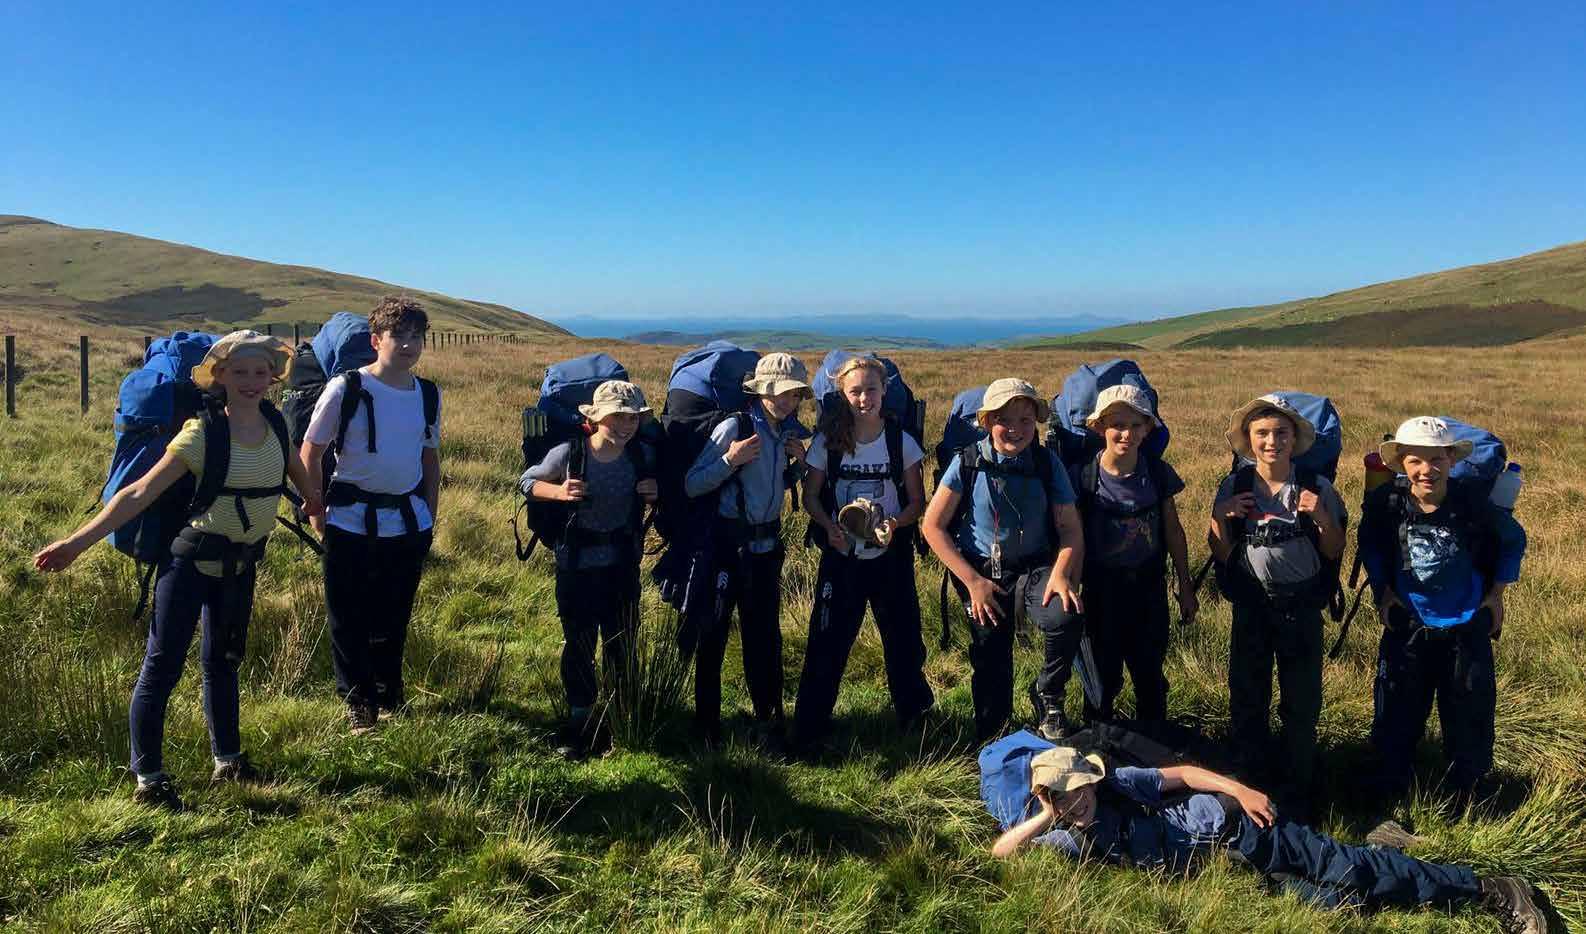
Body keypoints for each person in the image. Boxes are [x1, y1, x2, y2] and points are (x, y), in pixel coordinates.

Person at [35, 331, 320, 811]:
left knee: (223, 664)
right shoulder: (200, 433)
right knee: (162, 667)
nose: (252, 380)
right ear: (219, 376)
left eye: (260, 371)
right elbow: (138, 493)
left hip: (241, 566)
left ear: (274, 376)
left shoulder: (276, 425)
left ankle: (228, 761)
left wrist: (316, 504)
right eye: (240, 372)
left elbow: (299, 473)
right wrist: (75, 544)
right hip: (188, 565)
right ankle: (148, 778)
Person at [988, 742, 1557, 932]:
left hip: (1242, 827)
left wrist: (1243, 791)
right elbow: (1001, 852)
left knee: (1351, 872)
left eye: (1078, 790)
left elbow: (1184, 773)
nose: (1077, 802)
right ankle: (1384, 846)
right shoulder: (1072, 837)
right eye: (1063, 797)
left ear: (1091, 779)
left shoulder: (1120, 785)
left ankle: (1492, 889)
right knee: (1342, 904)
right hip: (1237, 870)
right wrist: (1047, 816)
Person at [1357, 417, 1526, 806]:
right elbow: (1370, 545)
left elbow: (1514, 540)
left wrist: (1496, 594)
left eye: (1436, 460)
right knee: (1397, 713)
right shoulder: (1388, 504)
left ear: (1452, 459)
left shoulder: (1472, 505)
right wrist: (1383, 593)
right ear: (1401, 463)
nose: (1426, 470)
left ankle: (1468, 796)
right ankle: (1392, 793)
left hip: (1466, 626)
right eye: (1415, 460)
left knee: (1469, 713)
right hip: (1407, 625)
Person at [301, 297, 441, 734]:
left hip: (408, 523)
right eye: (399, 335)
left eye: (416, 336)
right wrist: (316, 509)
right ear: (376, 340)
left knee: (394, 615)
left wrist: (430, 515)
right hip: (348, 520)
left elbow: (430, 458)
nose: (408, 345)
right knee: (348, 617)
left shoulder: (428, 394)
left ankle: (388, 693)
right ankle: (359, 704)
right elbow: (311, 451)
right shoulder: (346, 388)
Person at [922, 378, 1085, 742]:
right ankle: (994, 739)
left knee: (1065, 614)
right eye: (1004, 419)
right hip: (981, 573)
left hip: (1036, 568)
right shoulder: (967, 462)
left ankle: (1048, 694)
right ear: (986, 421)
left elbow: (1070, 529)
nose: (1015, 429)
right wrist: (972, 582)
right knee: (990, 654)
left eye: (1025, 420)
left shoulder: (1046, 463)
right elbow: (932, 526)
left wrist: (1061, 575)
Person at [1208, 394, 1347, 816]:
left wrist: (1321, 516)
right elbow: (1220, 551)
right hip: (1251, 607)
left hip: (1301, 609)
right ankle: (1249, 784)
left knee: (1301, 701)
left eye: (1281, 433)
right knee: (1247, 697)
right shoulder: (1234, 486)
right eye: (1263, 434)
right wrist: (1221, 515)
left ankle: (1297, 786)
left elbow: (1334, 547)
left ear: (1295, 439)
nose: (1272, 442)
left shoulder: (1317, 488)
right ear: (1249, 440)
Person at [792, 354, 934, 752]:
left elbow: (916, 502)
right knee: (827, 642)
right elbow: (810, 496)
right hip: (842, 557)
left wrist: (896, 524)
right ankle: (809, 730)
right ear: (842, 394)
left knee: (904, 641)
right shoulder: (828, 442)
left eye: (871, 389)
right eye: (854, 391)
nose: (863, 398)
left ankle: (915, 723)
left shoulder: (900, 441)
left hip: (891, 557)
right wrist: (829, 527)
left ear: (885, 391)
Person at [521, 380, 658, 759]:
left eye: (633, 418)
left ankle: (618, 719)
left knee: (622, 644)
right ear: (596, 418)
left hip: (622, 569)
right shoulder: (571, 453)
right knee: (579, 645)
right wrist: (559, 492)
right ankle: (580, 720)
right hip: (576, 568)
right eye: (618, 417)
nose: (627, 425)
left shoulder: (642, 456)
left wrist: (656, 493)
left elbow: (663, 497)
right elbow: (527, 481)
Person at [682, 353, 811, 745]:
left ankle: (768, 721)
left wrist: (799, 466)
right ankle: (707, 726)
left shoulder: (784, 433)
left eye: (795, 394)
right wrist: (729, 459)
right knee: (713, 636)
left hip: (767, 551)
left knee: (765, 638)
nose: (788, 401)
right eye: (781, 392)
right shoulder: (735, 427)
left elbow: (774, 485)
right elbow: (692, 484)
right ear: (761, 390)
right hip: (728, 549)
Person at [1069, 385, 1196, 726]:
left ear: (1148, 429)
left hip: (1149, 590)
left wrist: (1185, 586)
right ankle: (1099, 741)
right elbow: (1073, 539)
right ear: (1100, 427)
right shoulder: (1083, 477)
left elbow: (1174, 532)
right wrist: (1071, 587)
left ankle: (1153, 740)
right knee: (1101, 675)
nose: (1127, 433)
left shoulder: (1157, 473)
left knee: (1149, 671)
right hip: (1099, 592)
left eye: (1136, 425)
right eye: (1117, 425)